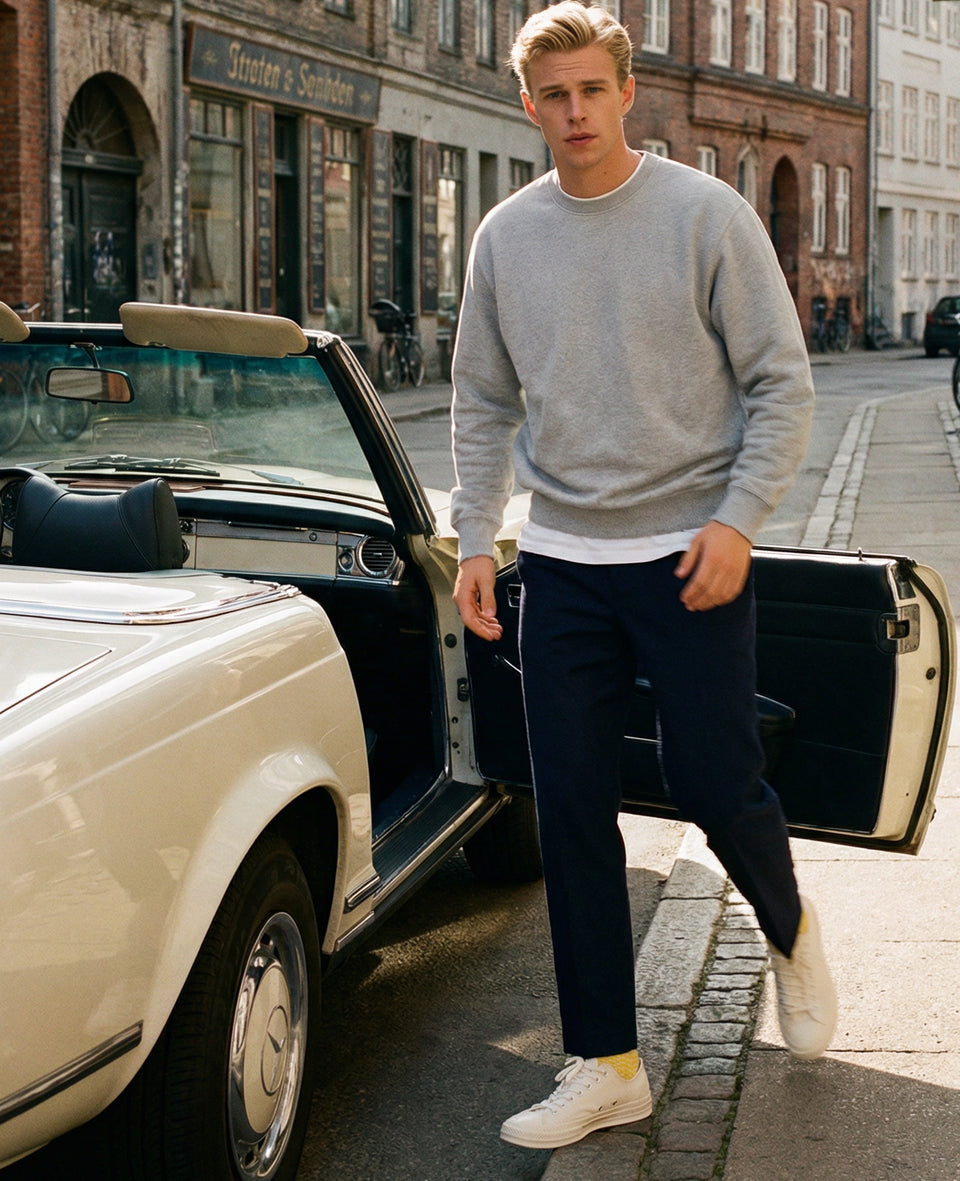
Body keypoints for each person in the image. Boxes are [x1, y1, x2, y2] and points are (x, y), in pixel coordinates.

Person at [450, 0, 836, 1153]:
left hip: (687, 554)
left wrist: (738, 522)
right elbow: (481, 399)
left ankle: (788, 920)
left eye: (591, 91)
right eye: (553, 96)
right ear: (529, 106)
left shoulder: (705, 214)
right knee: (570, 808)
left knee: (715, 781)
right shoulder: (506, 237)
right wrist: (475, 539)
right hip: (562, 560)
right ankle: (607, 1063)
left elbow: (781, 384)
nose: (574, 112)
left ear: (626, 93)